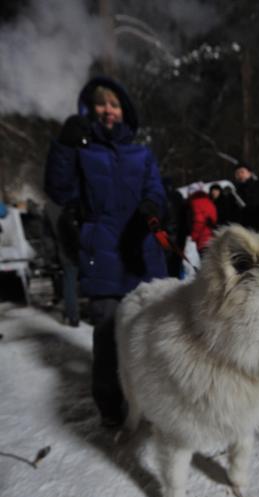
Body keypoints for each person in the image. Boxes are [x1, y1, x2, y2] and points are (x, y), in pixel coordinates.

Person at [44, 76, 167, 428]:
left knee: (150, 333)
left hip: (141, 252)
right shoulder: (82, 152)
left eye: (114, 104)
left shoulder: (142, 153)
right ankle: (112, 410)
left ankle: (155, 404)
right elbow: (58, 189)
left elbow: (156, 191)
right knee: (109, 335)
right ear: (89, 109)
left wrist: (151, 208)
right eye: (101, 104)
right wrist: (64, 147)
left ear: (124, 111)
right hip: (101, 252)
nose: (108, 110)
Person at [187, 182, 217, 256]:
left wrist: (194, 235)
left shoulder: (195, 203)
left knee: (207, 264)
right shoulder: (209, 201)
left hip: (203, 239)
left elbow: (199, 220)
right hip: (213, 236)